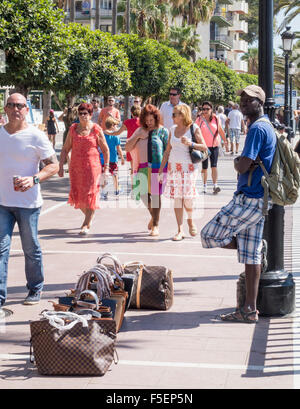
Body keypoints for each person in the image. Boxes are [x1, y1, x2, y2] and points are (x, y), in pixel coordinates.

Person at [201, 85, 276, 324]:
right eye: (242, 99)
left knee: (208, 235)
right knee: (251, 256)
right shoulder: (267, 126)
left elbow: (243, 165)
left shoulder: (257, 128)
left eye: (250, 99)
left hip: (250, 197)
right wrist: (244, 162)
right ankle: (249, 310)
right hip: (261, 197)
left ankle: (256, 248)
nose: (244, 102)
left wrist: (237, 163)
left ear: (260, 102)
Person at [0, 93, 59, 314]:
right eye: (12, 105)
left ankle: (35, 288)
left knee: (30, 247)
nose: (16, 109)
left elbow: (53, 165)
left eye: (20, 106)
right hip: (2, 202)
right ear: (5, 109)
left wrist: (33, 179)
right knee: (1, 249)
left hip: (29, 203)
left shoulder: (36, 136)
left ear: (27, 110)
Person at [58, 102, 109, 235]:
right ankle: (89, 215)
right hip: (76, 168)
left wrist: (106, 169)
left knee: (90, 194)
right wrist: (61, 166)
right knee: (78, 197)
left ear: (91, 115)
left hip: (93, 167)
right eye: (80, 113)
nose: (82, 116)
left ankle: (86, 223)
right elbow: (65, 149)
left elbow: (106, 150)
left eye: (85, 113)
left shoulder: (96, 129)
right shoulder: (73, 128)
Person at [159, 104, 207, 241]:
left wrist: (191, 143)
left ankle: (190, 220)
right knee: (177, 199)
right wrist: (162, 169)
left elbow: (204, 147)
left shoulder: (193, 128)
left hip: (189, 169)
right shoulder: (172, 129)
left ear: (182, 115)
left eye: (174, 114)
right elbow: (167, 150)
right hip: (173, 168)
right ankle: (180, 230)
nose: (172, 117)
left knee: (187, 198)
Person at [125, 104, 169, 237]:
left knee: (155, 197)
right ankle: (154, 216)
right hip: (142, 167)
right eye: (146, 120)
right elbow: (127, 147)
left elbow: (168, 151)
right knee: (143, 195)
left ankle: (155, 225)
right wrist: (138, 137)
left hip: (157, 168)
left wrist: (165, 169)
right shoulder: (139, 131)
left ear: (156, 118)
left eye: (151, 120)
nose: (149, 123)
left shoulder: (163, 131)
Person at [196, 101, 228, 194]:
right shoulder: (199, 119)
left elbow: (221, 130)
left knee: (214, 166)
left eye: (207, 109)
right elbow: (195, 131)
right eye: (203, 109)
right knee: (204, 167)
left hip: (214, 145)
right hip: (204, 147)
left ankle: (215, 185)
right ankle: (204, 185)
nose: (205, 111)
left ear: (211, 109)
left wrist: (225, 141)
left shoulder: (216, 118)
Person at [107, 105, 141, 191]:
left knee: (133, 168)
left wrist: (108, 133)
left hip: (130, 146)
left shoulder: (127, 122)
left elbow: (117, 132)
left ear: (132, 113)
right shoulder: (143, 122)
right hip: (141, 147)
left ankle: (134, 189)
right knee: (140, 167)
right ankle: (140, 187)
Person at [99, 117, 125, 200]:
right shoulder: (115, 136)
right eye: (116, 125)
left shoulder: (102, 135)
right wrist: (122, 158)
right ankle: (116, 190)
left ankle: (104, 192)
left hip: (103, 159)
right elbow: (118, 148)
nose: (116, 127)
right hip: (113, 159)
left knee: (103, 176)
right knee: (115, 175)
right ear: (112, 126)